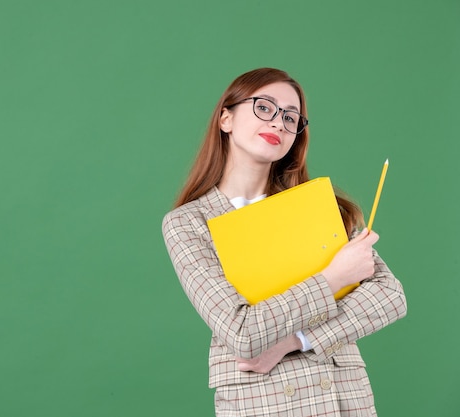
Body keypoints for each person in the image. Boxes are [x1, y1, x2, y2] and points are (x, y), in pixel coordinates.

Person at [162, 68, 407, 416]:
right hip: (263, 402)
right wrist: (333, 278)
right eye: (265, 107)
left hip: (343, 397)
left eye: (291, 117)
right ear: (225, 118)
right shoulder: (189, 223)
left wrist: (296, 341)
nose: (278, 123)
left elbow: (390, 296)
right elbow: (242, 331)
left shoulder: (319, 205)